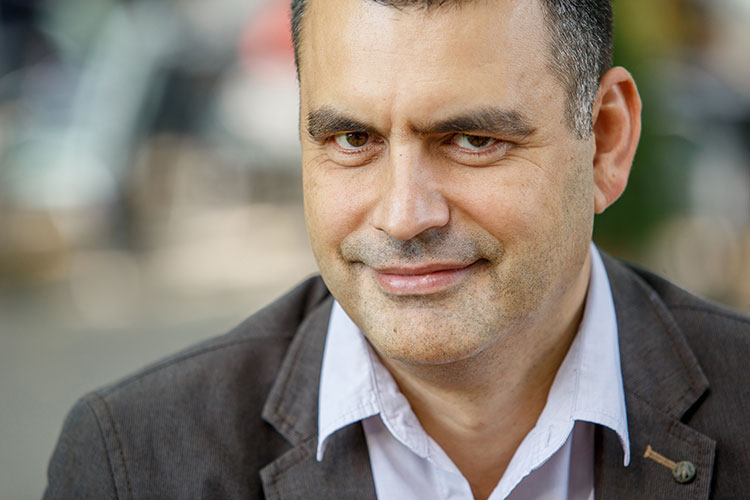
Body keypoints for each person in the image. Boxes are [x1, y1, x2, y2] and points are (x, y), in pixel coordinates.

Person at [44, 0, 749, 498]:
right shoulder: (133, 461)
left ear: (606, 142)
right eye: (353, 139)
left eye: (473, 140)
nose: (404, 217)